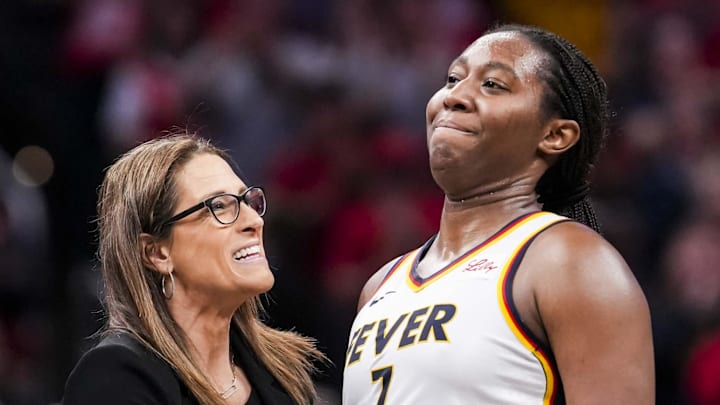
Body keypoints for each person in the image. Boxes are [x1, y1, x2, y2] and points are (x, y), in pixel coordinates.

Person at [343, 23, 655, 404]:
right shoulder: (380, 286)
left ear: (554, 136)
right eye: (453, 78)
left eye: (492, 84)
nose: (455, 96)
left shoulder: (570, 263)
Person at [62, 132, 326, 405]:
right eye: (220, 206)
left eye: (248, 201)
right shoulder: (116, 377)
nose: (254, 221)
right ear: (157, 253)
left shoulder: (283, 370)